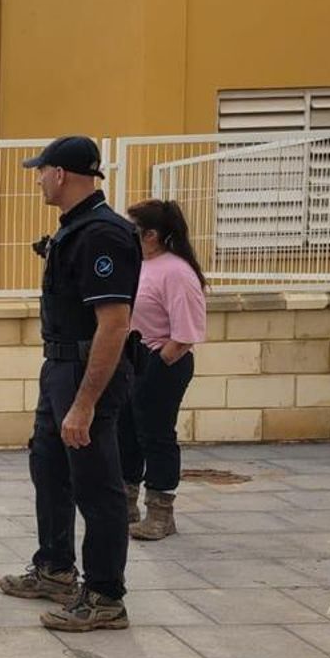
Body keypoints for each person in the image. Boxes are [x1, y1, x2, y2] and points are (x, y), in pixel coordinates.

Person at [0, 135, 141, 632]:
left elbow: (114, 324)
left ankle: (104, 596)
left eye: (42, 170)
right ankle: (55, 569)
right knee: (49, 466)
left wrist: (83, 405)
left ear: (60, 174)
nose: (38, 178)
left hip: (86, 374)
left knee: (96, 485)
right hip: (60, 368)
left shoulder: (103, 234)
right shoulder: (75, 229)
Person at [118, 199, 206, 541]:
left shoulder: (176, 272)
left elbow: (185, 333)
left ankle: (160, 512)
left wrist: (157, 364)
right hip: (133, 357)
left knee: (155, 434)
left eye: (133, 229)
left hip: (163, 360)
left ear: (151, 235)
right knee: (124, 430)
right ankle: (126, 503)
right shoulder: (137, 264)